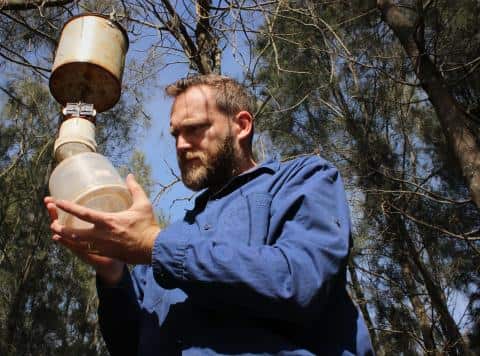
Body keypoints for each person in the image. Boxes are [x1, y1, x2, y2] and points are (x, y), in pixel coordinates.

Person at [45, 74, 374, 355]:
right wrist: (114, 276)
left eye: (195, 129)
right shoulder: (170, 239)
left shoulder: (302, 180)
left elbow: (300, 282)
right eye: (175, 134)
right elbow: (131, 344)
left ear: (241, 126)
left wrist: (155, 246)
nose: (180, 145)